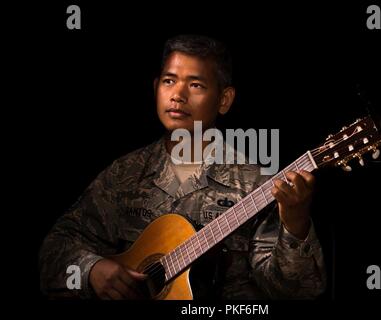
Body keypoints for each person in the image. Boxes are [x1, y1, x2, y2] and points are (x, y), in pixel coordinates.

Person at [39, 34, 327, 300]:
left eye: (196, 85)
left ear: (224, 100)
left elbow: (296, 291)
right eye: (169, 81)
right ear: (155, 88)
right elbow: (55, 248)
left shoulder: (257, 185)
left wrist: (295, 222)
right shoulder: (123, 174)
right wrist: (92, 270)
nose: (178, 94)